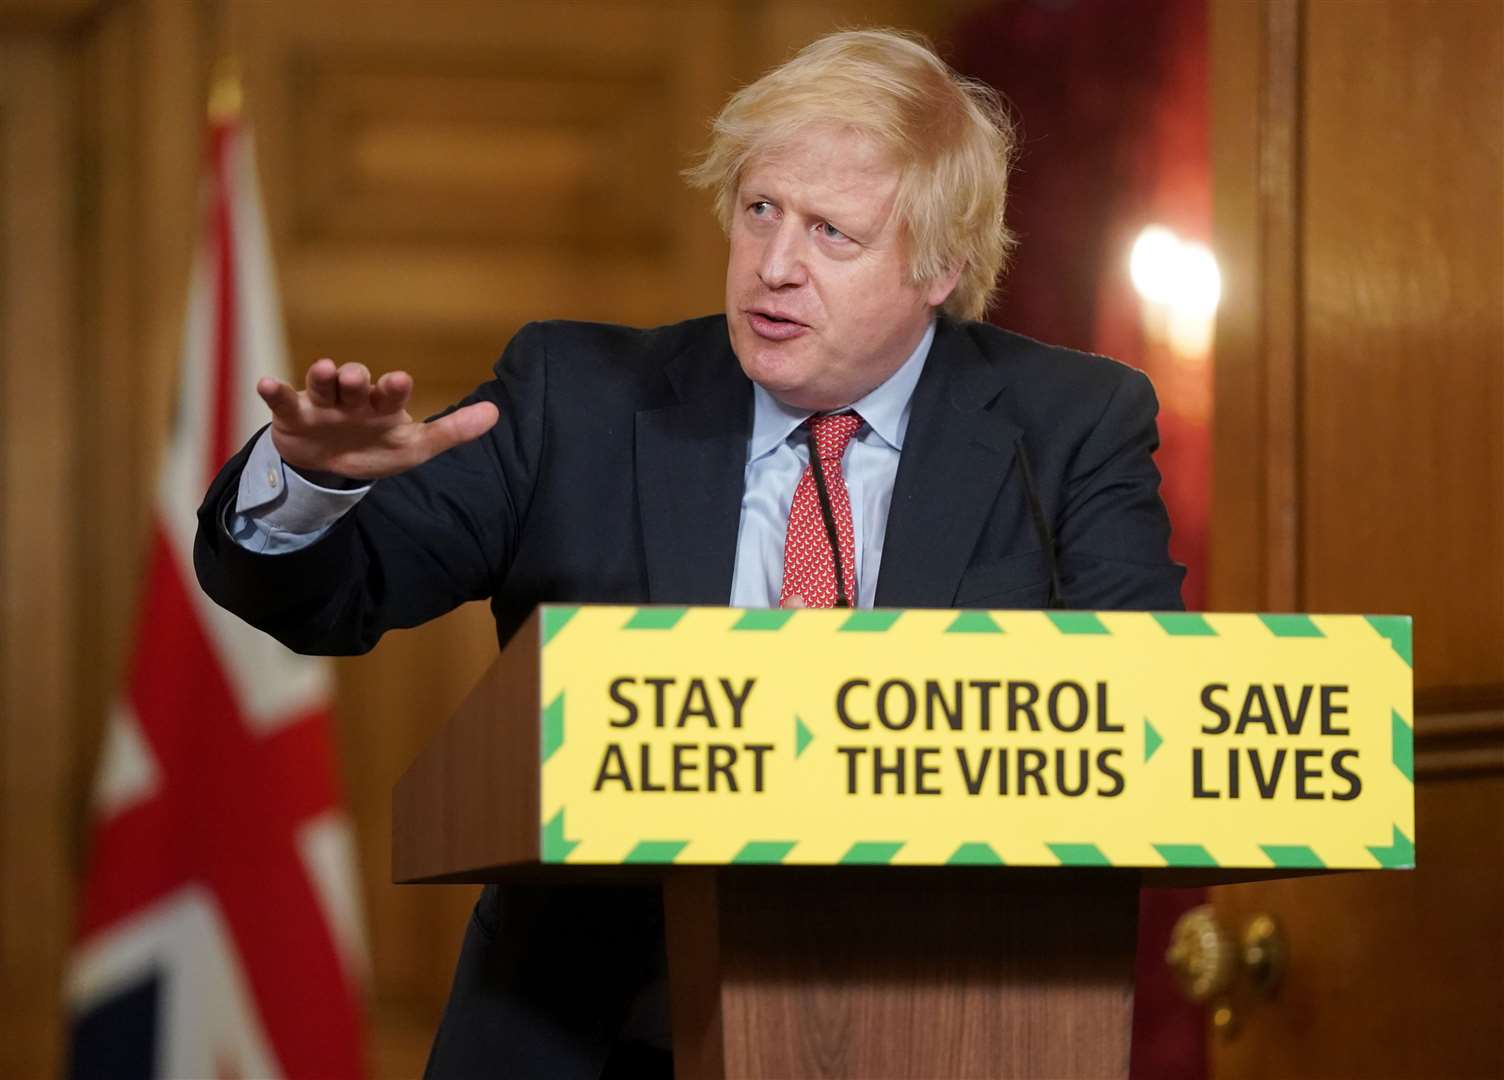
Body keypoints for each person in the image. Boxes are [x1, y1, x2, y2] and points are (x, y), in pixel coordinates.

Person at [195, 28, 1183, 1080]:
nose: (774, 266)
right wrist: (315, 482)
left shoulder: (1069, 426)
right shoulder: (573, 399)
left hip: (952, 1029)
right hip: (591, 1034)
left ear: (939, 266)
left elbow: (1145, 715)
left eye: (831, 233)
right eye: (759, 210)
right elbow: (335, 596)